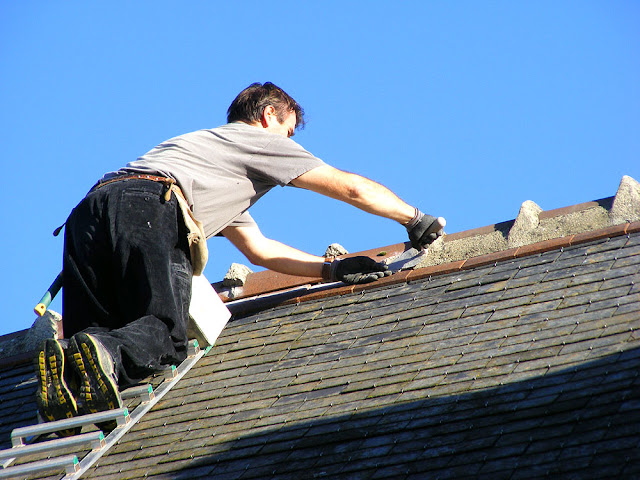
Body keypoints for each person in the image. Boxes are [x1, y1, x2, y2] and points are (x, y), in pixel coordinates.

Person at [35, 82, 445, 433]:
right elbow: (349, 188)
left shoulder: (206, 159)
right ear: (268, 116)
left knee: (88, 358)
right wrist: (414, 218)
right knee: (163, 332)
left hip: (89, 214)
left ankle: (72, 381)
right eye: (288, 132)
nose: (289, 144)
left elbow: (258, 249)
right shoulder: (258, 141)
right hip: (151, 206)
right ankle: (104, 355)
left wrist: (332, 269)